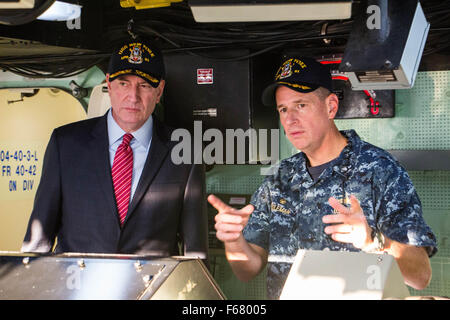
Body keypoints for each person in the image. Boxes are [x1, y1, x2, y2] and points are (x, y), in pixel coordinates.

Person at [208, 57, 437, 299]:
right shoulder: (279, 177)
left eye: (301, 105)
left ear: (331, 106)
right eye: (283, 109)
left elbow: (421, 276)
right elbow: (248, 269)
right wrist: (233, 241)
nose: (290, 119)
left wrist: (373, 241)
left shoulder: (380, 170)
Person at [22, 39, 208, 260]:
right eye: (123, 83)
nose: (133, 96)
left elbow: (195, 252)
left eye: (145, 85)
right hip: (77, 288)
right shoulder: (65, 144)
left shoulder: (186, 151)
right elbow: (38, 239)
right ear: (108, 85)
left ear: (159, 91)